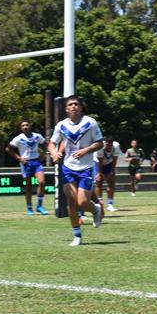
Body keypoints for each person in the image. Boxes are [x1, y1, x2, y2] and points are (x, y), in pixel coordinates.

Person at [47, 95, 103, 246]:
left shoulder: (90, 123)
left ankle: (96, 210)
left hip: (86, 167)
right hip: (68, 167)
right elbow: (52, 143)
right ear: (66, 109)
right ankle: (77, 236)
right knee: (71, 202)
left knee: (83, 201)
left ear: (81, 107)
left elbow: (100, 143)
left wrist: (86, 150)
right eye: (70, 104)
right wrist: (54, 152)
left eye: (76, 104)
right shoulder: (61, 126)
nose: (73, 106)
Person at [6, 120, 49, 215]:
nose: (25, 127)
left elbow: (47, 145)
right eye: (23, 125)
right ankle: (29, 207)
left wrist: (43, 155)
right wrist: (19, 158)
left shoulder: (37, 136)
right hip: (26, 163)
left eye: (27, 125)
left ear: (30, 126)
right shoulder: (18, 138)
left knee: (42, 182)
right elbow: (8, 149)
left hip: (36, 162)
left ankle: (39, 206)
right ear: (21, 128)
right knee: (28, 186)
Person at [95, 137, 122, 212]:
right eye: (107, 145)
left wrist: (112, 171)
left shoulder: (116, 146)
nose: (109, 147)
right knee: (99, 182)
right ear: (105, 144)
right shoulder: (100, 147)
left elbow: (115, 159)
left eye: (110, 145)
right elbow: (100, 161)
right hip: (97, 162)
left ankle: (110, 204)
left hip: (108, 163)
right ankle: (99, 204)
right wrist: (99, 173)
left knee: (111, 181)